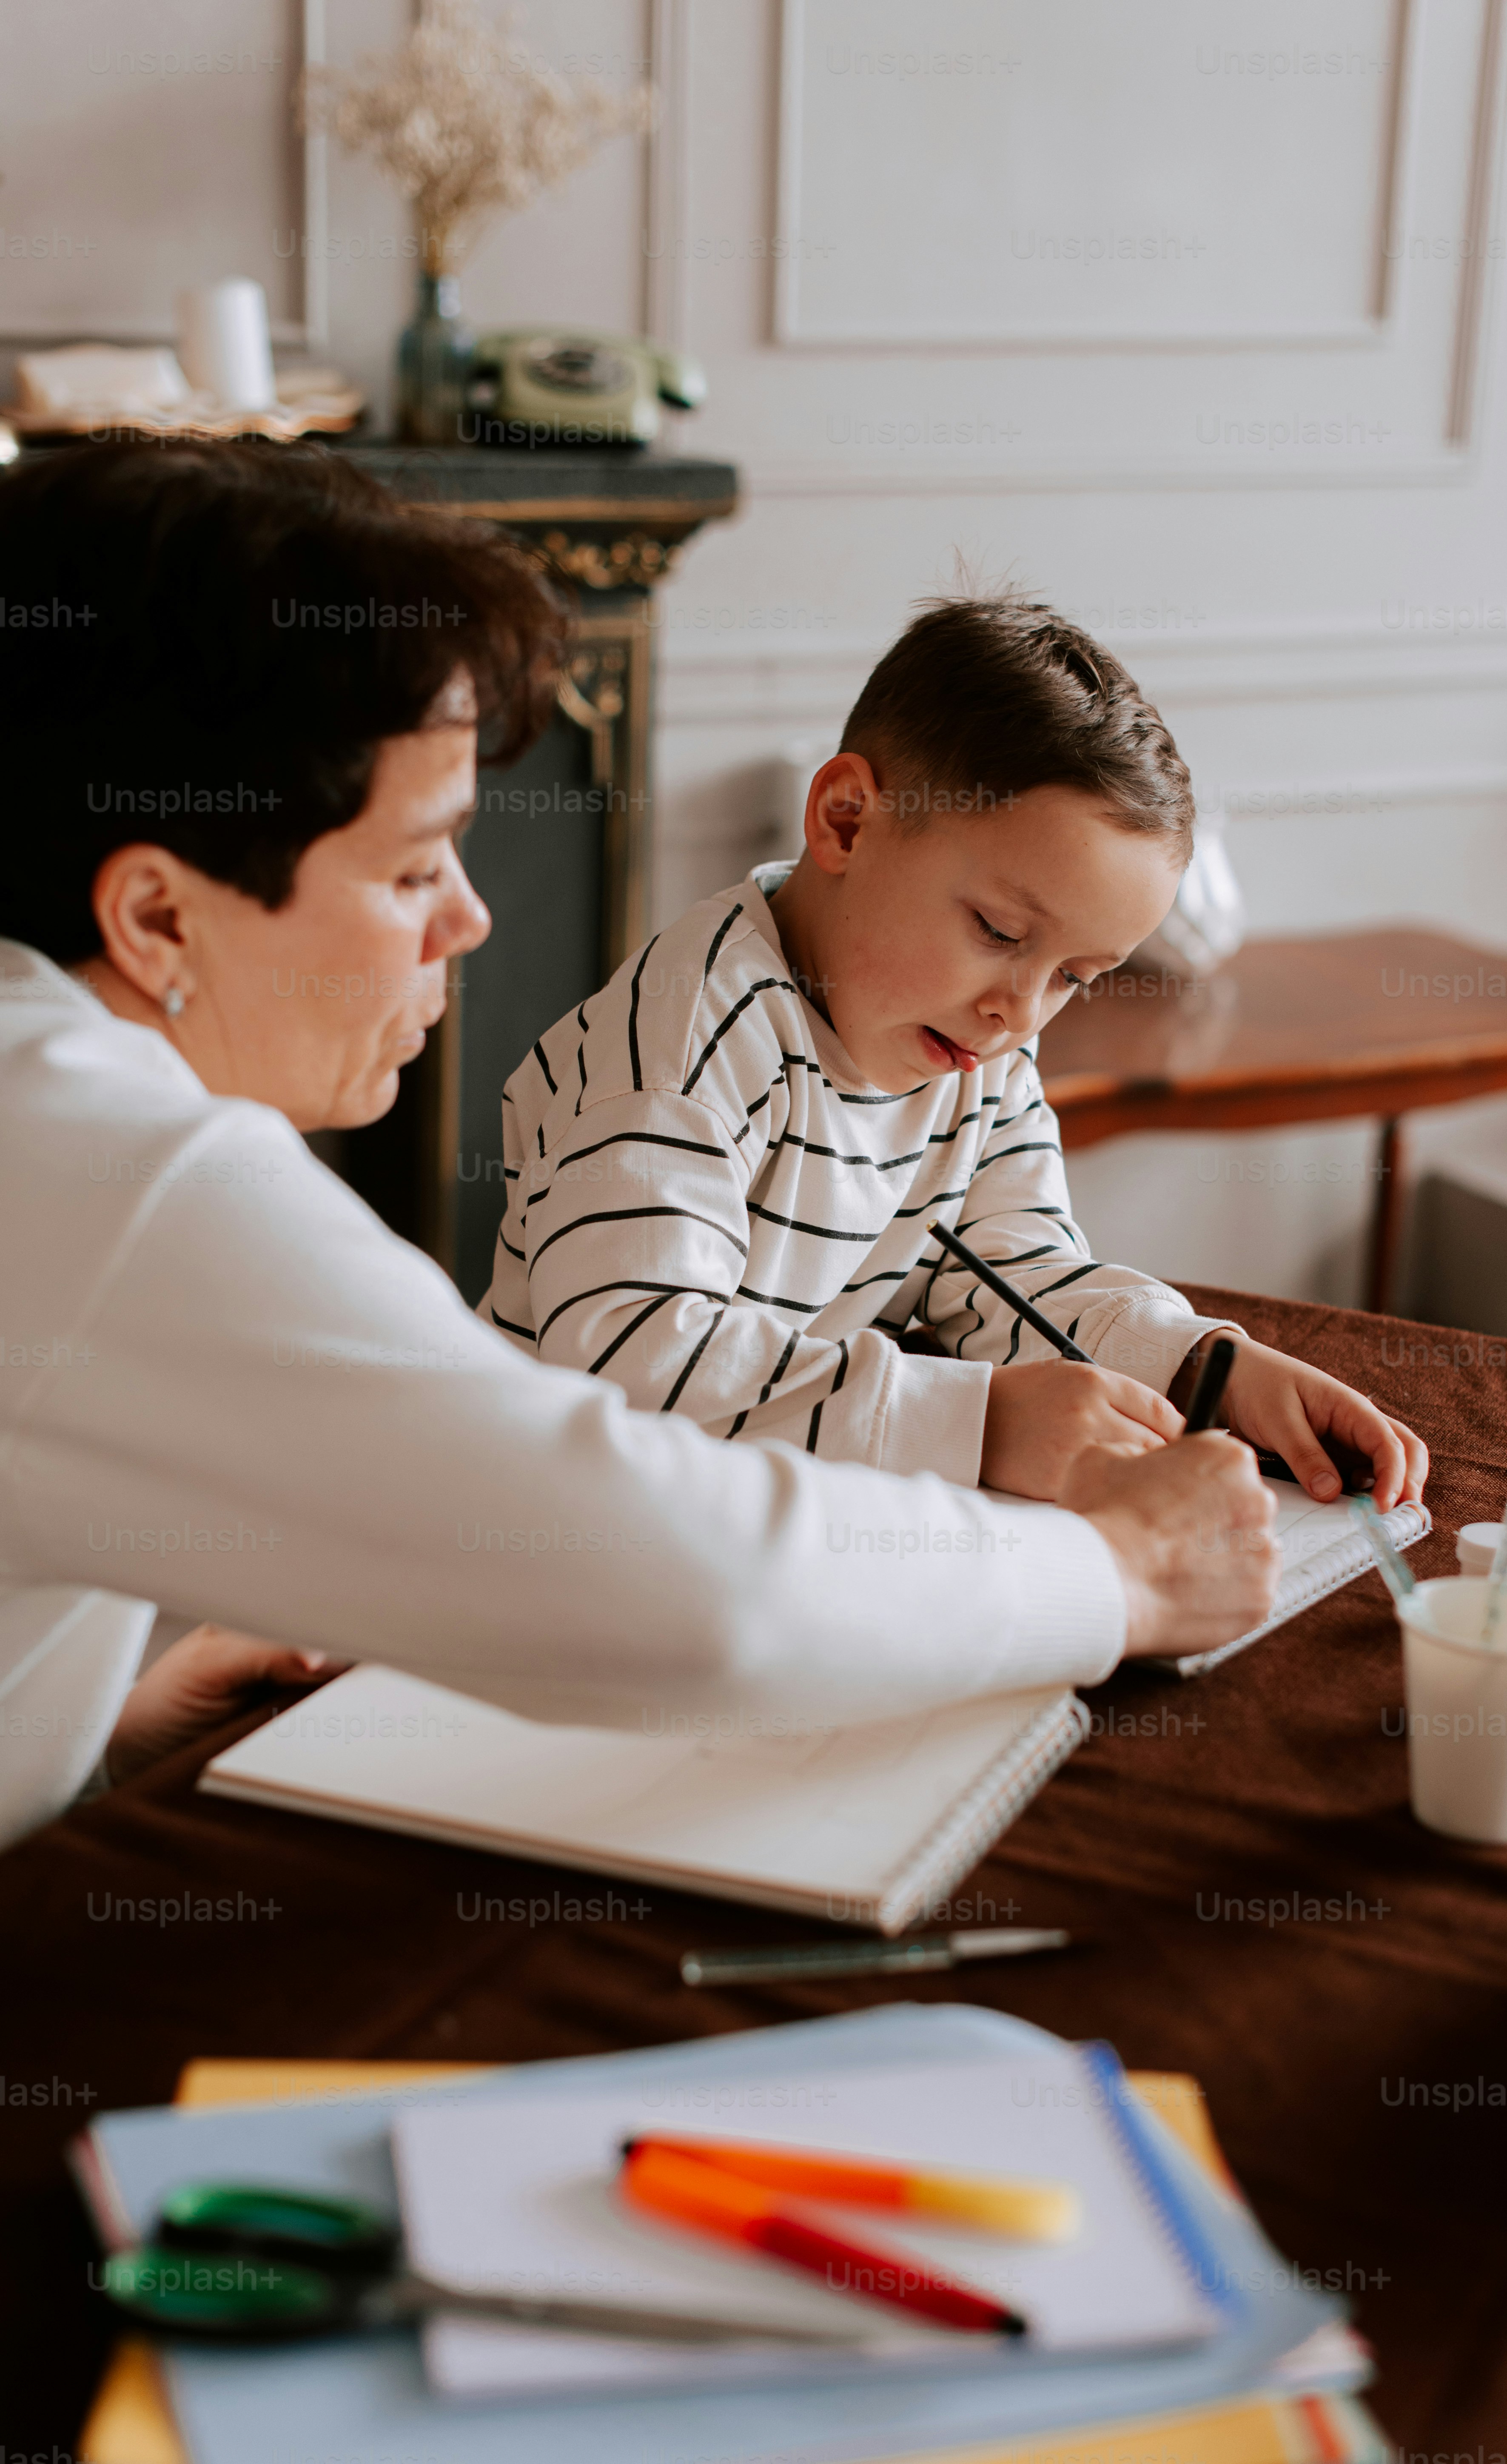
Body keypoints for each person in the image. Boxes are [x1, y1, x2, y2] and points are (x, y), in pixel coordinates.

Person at [0, 440, 1281, 1852]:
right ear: (159, 920)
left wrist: (99, 1698)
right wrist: (1120, 1572)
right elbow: (673, 1577)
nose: (469, 920)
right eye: (415, 866)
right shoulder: (119, 1171)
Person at [483, 599, 1427, 1509]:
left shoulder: (975, 1049)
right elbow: (630, 1365)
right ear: (846, 820)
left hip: (768, 1514)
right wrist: (978, 1425)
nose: (1020, 1010)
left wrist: (1202, 1367)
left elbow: (1016, 1277)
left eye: (1073, 976)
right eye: (998, 931)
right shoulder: (687, 1046)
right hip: (574, 1532)